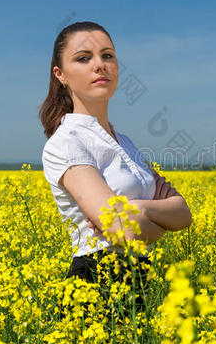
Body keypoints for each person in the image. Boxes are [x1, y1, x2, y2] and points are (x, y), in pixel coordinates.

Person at [38, 21, 193, 324]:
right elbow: (121, 228)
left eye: (107, 56)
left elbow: (184, 213)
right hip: (94, 287)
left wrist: (139, 209)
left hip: (140, 283)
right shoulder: (67, 142)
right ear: (61, 75)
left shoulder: (126, 143)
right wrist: (157, 222)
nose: (99, 65)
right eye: (83, 58)